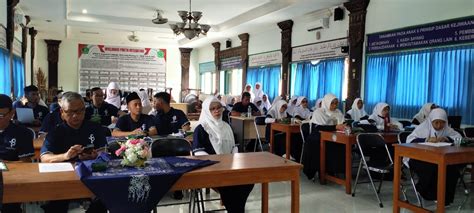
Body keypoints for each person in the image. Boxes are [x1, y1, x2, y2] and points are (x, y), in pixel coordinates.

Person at [40, 92, 107, 213]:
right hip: (62, 180)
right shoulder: (55, 132)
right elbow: (44, 157)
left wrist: (95, 155)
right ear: (62, 113)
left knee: (104, 200)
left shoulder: (95, 128)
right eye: (70, 112)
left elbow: (104, 151)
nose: (76, 116)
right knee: (56, 204)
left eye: (80, 111)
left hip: (91, 177)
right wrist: (65, 156)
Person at [192, 97, 254, 212]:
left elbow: (234, 146)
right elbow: (198, 152)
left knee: (248, 180)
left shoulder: (226, 126)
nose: (216, 111)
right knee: (230, 185)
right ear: (207, 111)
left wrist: (233, 159)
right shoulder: (201, 129)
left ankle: (236, 209)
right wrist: (216, 163)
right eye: (212, 109)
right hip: (210, 169)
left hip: (229, 167)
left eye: (218, 108)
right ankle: (236, 210)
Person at [405, 108, 462, 206]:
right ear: (431, 121)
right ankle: (426, 192)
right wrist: (426, 139)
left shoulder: (446, 129)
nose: (439, 126)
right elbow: (409, 140)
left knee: (452, 168)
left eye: (442, 123)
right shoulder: (423, 127)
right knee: (432, 167)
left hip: (438, 158)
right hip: (417, 158)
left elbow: (458, 138)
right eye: (436, 123)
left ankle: (446, 197)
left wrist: (447, 138)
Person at [0, 94, 35, 213]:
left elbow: (26, 164)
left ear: (11, 113)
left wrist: (4, 163)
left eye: (1, 115)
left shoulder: (21, 133)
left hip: (11, 180)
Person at [302, 94, 348, 180]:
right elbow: (318, 127)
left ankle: (334, 170)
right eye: (332, 103)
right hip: (317, 136)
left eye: (336, 103)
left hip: (333, 136)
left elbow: (342, 124)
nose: (334, 105)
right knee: (321, 146)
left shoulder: (338, 112)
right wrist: (335, 127)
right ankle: (321, 171)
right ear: (327, 103)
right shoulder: (319, 112)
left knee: (341, 145)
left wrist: (344, 127)